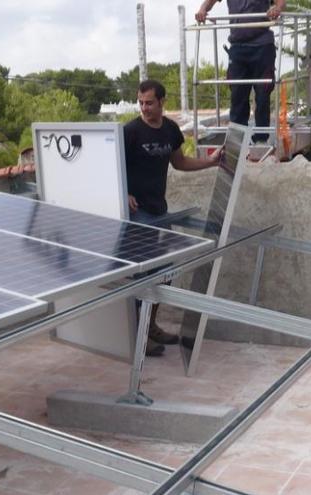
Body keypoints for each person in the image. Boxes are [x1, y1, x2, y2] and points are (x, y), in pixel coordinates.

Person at [124, 79, 223, 356]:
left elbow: (180, 162)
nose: (144, 108)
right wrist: (125, 193)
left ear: (162, 102)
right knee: (143, 275)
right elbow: (110, 166)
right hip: (137, 215)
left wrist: (211, 162)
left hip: (159, 211)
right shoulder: (130, 132)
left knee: (164, 272)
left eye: (150, 103)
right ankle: (139, 337)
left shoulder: (170, 130)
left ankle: (151, 325)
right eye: (141, 102)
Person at [196, 0, 286, 142]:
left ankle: (261, 140)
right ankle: (237, 143)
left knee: (263, 96)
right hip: (238, 47)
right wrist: (202, 10)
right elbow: (209, 2)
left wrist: (277, 8)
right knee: (237, 96)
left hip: (262, 45)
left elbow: (281, 2)